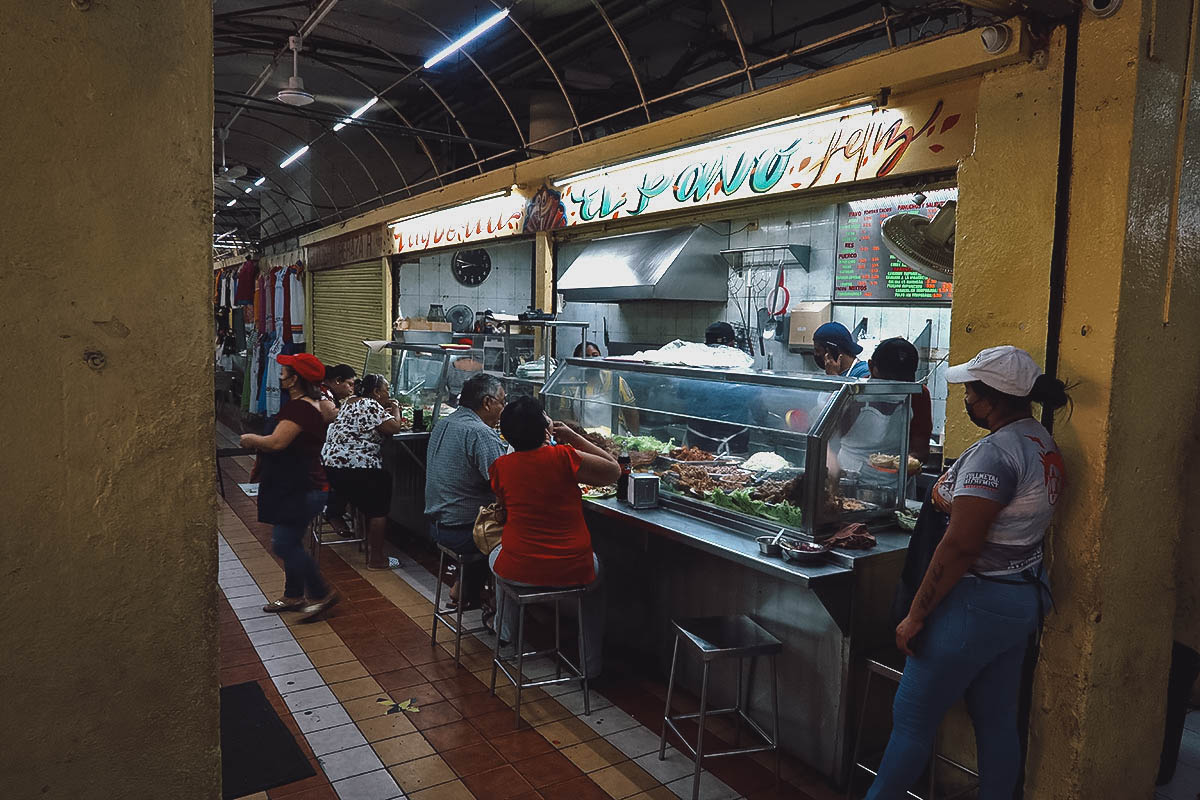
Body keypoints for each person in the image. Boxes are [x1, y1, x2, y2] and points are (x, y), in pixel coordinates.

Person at [866, 345, 1069, 800]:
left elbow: (959, 546)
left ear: (994, 397)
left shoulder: (996, 454)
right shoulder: (1041, 441)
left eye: (971, 393)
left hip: (974, 604)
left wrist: (916, 615)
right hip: (1020, 598)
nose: (966, 401)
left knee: (913, 721)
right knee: (996, 719)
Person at [488, 396, 621, 678]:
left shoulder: (500, 467)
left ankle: (505, 635)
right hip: (573, 568)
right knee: (598, 580)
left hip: (517, 569)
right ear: (545, 429)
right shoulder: (563, 457)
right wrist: (573, 437)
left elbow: (505, 508)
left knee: (496, 557)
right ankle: (591, 666)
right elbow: (614, 470)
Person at [240, 353, 341, 621]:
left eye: (285, 371)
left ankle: (321, 592)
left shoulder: (300, 409)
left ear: (295, 379)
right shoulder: (312, 403)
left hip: (301, 487)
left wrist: (250, 439)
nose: (280, 374)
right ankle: (294, 595)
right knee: (292, 541)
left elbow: (276, 443)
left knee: (284, 544)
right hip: (301, 485)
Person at [424, 373, 508, 610]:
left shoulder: (445, 422)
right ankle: (500, 608)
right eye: (502, 401)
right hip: (463, 531)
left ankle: (467, 585)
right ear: (488, 402)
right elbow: (504, 484)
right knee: (520, 535)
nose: (504, 407)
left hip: (438, 524)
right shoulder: (480, 433)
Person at [321, 373, 406, 569]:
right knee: (379, 508)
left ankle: (360, 536)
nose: (388, 394)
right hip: (355, 469)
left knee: (366, 493)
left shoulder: (351, 401)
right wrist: (395, 408)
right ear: (376, 392)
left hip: (331, 468)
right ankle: (376, 559)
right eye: (386, 391)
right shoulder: (370, 404)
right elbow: (394, 427)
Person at [683, 322, 755, 453]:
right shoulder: (742, 367)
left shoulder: (694, 364)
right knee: (734, 473)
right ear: (732, 344)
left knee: (696, 472)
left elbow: (681, 394)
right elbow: (756, 400)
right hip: (735, 444)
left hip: (699, 441)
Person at [869, 337, 932, 460]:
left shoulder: (918, 395)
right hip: (849, 471)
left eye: (901, 383)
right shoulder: (854, 393)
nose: (895, 389)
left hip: (897, 475)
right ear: (871, 367)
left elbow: (920, 448)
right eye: (888, 380)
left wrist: (906, 463)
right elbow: (833, 442)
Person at [320, 363, 357, 534]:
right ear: (337, 381)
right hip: (314, 451)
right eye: (349, 384)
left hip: (324, 447)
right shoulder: (323, 393)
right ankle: (334, 512)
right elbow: (329, 415)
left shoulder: (328, 393)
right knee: (347, 470)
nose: (352, 388)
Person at [571, 341, 639, 433]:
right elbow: (565, 414)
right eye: (586, 356)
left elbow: (631, 411)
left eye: (595, 355)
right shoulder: (571, 384)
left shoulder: (614, 380)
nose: (592, 360)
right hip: (585, 437)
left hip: (614, 436)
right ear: (577, 360)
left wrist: (634, 437)